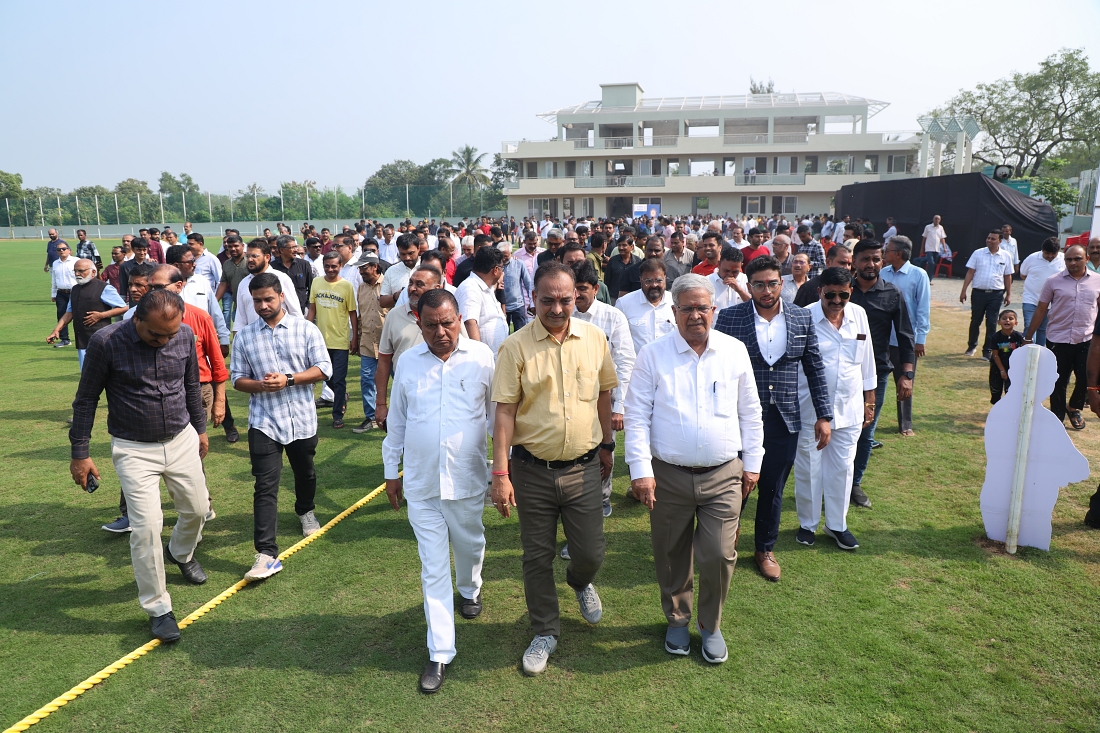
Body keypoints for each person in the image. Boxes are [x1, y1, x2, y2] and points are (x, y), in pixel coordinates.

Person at [625, 273, 763, 663]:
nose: (696, 315)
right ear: (674, 312)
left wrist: (753, 464)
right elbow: (636, 416)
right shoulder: (653, 354)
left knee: (718, 554)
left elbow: (751, 412)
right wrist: (640, 470)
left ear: (713, 310)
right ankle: (677, 619)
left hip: (723, 473)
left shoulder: (734, 351)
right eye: (687, 308)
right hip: (667, 474)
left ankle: (710, 625)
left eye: (702, 307)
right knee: (671, 552)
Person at [489, 261, 618, 677]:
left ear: (577, 296)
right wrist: (501, 474)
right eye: (548, 300)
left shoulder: (594, 339)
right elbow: (504, 412)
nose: (558, 308)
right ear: (533, 299)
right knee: (537, 555)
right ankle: (545, 630)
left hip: (584, 469)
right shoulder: (514, 347)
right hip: (531, 471)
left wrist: (607, 445)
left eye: (565, 299)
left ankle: (579, 582)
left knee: (591, 552)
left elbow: (604, 394)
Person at [69, 290, 211, 642]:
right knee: (146, 528)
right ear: (137, 319)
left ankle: (180, 553)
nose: (164, 341)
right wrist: (80, 453)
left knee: (197, 511)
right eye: (156, 335)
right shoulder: (106, 342)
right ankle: (158, 608)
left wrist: (200, 429)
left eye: (170, 335)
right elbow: (86, 399)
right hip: (133, 449)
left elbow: (191, 385)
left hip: (181, 439)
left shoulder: (184, 335)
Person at [381, 289, 495, 694]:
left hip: (466, 479)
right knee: (432, 568)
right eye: (431, 325)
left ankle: (470, 588)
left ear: (459, 318)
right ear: (419, 323)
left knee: (470, 544)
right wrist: (390, 471)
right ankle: (440, 652)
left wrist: (503, 468)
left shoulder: (482, 357)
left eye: (447, 323)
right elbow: (397, 420)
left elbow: (497, 416)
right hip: (421, 483)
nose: (441, 332)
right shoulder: (408, 362)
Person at [713, 255, 832, 582]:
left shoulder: (800, 317)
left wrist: (824, 415)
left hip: (784, 419)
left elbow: (814, 367)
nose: (767, 291)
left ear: (782, 282)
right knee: (732, 484)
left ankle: (764, 548)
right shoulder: (730, 317)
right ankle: (725, 538)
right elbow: (714, 366)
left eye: (773, 283)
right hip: (738, 418)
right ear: (748, 285)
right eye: (759, 285)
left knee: (773, 487)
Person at [231, 273, 333, 581]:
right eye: (257, 301)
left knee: (306, 473)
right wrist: (261, 385)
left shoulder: (306, 329)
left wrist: (288, 379)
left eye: (268, 299)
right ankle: (266, 554)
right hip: (264, 421)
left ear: (281, 297)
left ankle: (305, 510)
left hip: (301, 418)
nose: (263, 306)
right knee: (265, 485)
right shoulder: (245, 336)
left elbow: (324, 369)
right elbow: (237, 379)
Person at [792, 267, 876, 551]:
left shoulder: (859, 314)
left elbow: (867, 360)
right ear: (820, 291)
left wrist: (869, 400)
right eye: (831, 295)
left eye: (843, 295)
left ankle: (837, 525)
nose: (837, 301)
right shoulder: (804, 316)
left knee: (842, 468)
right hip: (810, 408)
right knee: (809, 468)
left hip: (849, 407)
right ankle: (808, 524)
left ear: (851, 292)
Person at [849, 240, 916, 508]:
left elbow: (905, 335)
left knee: (866, 430)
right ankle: (832, 482)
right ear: (854, 261)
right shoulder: (842, 291)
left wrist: (907, 374)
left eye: (876, 259)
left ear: (882, 261)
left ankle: (854, 484)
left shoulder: (892, 293)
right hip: (840, 374)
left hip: (875, 375)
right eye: (865, 259)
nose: (871, 264)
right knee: (838, 430)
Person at [569, 261, 636, 520]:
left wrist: (619, 407)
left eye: (582, 288)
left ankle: (602, 497)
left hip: (604, 398)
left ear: (596, 289)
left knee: (604, 448)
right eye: (573, 289)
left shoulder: (613, 316)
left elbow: (626, 361)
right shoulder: (563, 314)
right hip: (570, 396)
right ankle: (574, 499)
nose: (576, 295)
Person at [374, 266, 467, 426]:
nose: (412, 289)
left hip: (447, 395)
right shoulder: (394, 316)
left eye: (419, 284)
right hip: (407, 397)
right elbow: (384, 361)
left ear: (437, 288)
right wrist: (381, 404)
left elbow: (466, 353)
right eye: (410, 283)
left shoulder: (450, 318)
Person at [1023, 244, 1100, 429]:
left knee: (1086, 378)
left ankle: (1073, 407)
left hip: (1086, 339)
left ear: (1087, 259)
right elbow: (1041, 309)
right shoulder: (1053, 281)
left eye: (1077, 259)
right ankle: (1057, 418)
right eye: (1068, 259)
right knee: (1058, 381)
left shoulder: (1097, 281)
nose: (1072, 263)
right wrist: (1028, 336)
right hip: (1058, 339)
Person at [880, 236, 931, 436]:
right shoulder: (882, 273)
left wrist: (920, 339)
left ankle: (905, 424)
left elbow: (923, 309)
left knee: (904, 381)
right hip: (882, 337)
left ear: (899, 253)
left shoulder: (918, 275)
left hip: (904, 339)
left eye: (888, 250)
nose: (884, 253)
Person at [307, 252, 359, 429]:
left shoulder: (346, 286)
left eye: (334, 266)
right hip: (320, 340)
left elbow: (352, 314)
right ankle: (341, 395)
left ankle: (337, 415)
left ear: (340, 266)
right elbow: (312, 309)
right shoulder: (316, 282)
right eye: (327, 266)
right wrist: (307, 331)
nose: (330, 269)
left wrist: (354, 338)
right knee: (325, 375)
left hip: (340, 339)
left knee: (339, 379)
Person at [47, 259, 127, 369]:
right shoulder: (74, 289)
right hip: (82, 339)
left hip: (101, 339)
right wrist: (56, 330)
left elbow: (123, 307)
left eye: (81, 271)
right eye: (75, 271)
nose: (77, 274)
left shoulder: (104, 288)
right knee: (85, 373)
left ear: (93, 272)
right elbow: (70, 312)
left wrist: (101, 315)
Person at [960, 230, 1014, 359]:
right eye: (988, 238)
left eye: (993, 239)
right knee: (975, 320)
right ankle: (972, 346)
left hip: (996, 294)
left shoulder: (1005, 256)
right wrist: (963, 290)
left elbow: (1008, 276)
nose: (989, 241)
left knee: (991, 322)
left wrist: (1009, 294)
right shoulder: (978, 253)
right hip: (979, 293)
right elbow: (970, 272)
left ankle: (988, 350)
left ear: (1000, 241)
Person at [234, 239, 304, 331]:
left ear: (267, 257)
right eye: (248, 256)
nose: (250, 260)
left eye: (254, 256)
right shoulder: (244, 283)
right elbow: (240, 318)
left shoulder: (282, 278)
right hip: (254, 336)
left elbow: (295, 312)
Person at [353, 253, 387, 433]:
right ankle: (371, 417)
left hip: (388, 342)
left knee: (398, 379)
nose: (361, 272)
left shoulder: (388, 285)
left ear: (375, 267)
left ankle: (400, 414)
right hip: (367, 341)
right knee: (367, 379)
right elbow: (360, 316)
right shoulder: (361, 288)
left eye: (364, 268)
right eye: (360, 268)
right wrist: (357, 339)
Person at [455, 245, 508, 356]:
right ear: (495, 270)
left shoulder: (486, 286)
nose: (502, 272)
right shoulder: (470, 288)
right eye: (501, 268)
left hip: (495, 357)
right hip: (482, 359)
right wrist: (479, 356)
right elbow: (469, 323)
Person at [615, 259, 676, 352]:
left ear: (665, 278)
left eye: (659, 280)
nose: (654, 285)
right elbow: (617, 340)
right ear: (641, 280)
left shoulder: (675, 302)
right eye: (648, 281)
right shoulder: (624, 304)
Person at [1019, 237, 1065, 346]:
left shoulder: (1064, 259)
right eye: (1047, 253)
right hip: (1031, 299)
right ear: (1042, 250)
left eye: (1053, 254)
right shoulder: (1032, 258)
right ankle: (1028, 351)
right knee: (1029, 326)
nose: (1050, 256)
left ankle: (1040, 353)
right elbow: (1023, 275)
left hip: (1051, 302)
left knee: (1043, 329)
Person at [271, 234, 315, 313]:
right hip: (281, 312)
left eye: (296, 247)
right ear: (282, 250)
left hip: (302, 310)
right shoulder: (272, 267)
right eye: (292, 247)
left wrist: (308, 307)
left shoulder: (304, 265)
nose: (296, 250)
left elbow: (312, 287)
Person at [990, 310, 1025, 405]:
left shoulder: (1019, 336)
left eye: (1011, 318)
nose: (1007, 320)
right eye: (1004, 318)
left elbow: (1023, 353)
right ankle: (996, 409)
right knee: (996, 389)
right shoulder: (995, 337)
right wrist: (1002, 370)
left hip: (1013, 368)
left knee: (1011, 390)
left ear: (1016, 323)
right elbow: (995, 355)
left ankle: (1010, 409)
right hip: (998, 366)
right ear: (999, 322)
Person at [379, 235, 421, 309]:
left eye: (411, 253)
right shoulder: (391, 271)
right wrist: (396, 296)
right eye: (403, 254)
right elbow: (382, 302)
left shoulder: (427, 268)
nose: (407, 258)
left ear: (418, 248)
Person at [214, 235, 247, 328]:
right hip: (237, 306)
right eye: (230, 246)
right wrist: (215, 301)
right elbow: (223, 284)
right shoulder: (227, 264)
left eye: (236, 246)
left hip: (251, 305)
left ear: (242, 246)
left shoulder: (250, 262)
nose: (233, 249)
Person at [499, 242, 534, 330]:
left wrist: (531, 302)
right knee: (503, 332)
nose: (503, 259)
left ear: (511, 254)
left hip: (518, 305)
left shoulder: (519, 264)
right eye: (501, 256)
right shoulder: (496, 266)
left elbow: (528, 283)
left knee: (520, 332)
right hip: (501, 306)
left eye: (506, 256)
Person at [708, 246, 750, 310]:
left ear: (741, 266)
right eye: (726, 271)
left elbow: (755, 306)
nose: (730, 275)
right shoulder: (707, 281)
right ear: (719, 264)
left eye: (735, 272)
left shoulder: (746, 279)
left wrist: (739, 290)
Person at [604, 233, 640, 302]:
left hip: (633, 298)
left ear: (631, 247)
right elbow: (607, 280)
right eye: (619, 245)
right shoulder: (613, 261)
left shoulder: (637, 261)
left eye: (624, 245)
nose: (621, 248)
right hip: (614, 297)